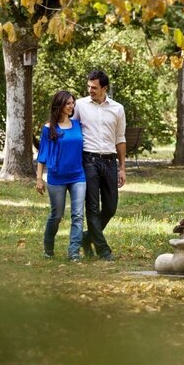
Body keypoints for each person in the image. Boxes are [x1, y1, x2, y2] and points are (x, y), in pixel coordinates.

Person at [74, 69, 126, 261]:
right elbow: (71, 129)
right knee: (93, 207)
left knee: (111, 206)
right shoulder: (79, 105)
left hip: (110, 161)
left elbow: (120, 139)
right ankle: (103, 250)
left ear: (104, 88)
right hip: (89, 161)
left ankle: (88, 237)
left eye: (94, 87)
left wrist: (122, 167)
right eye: (88, 86)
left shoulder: (117, 109)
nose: (90, 90)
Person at [35, 90, 86, 261]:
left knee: (78, 215)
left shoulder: (77, 125)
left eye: (73, 103)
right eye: (68, 103)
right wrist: (39, 179)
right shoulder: (49, 128)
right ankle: (48, 247)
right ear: (60, 105)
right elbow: (42, 155)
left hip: (78, 176)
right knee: (56, 216)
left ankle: (74, 253)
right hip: (57, 177)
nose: (72, 106)